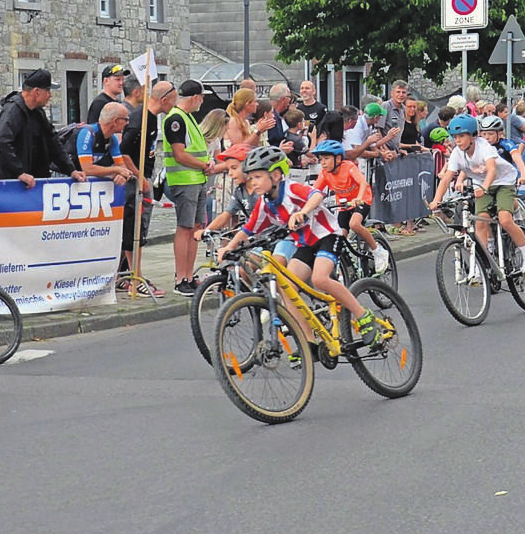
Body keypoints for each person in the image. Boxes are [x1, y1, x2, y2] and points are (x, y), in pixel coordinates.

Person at [221, 146, 380, 346]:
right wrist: (229, 248)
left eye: (258, 177)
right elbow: (249, 229)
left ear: (276, 175)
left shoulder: (291, 189)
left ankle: (363, 315)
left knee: (320, 278)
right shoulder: (265, 203)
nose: (253, 182)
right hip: (305, 243)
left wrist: (303, 212)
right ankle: (309, 341)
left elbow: (317, 195)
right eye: (251, 177)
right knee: (287, 288)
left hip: (328, 235)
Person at [427, 114, 525, 273]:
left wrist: (485, 187)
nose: (457, 140)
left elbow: (492, 170)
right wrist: (436, 200)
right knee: (481, 221)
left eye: (461, 136)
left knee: (505, 219)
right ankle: (479, 267)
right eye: (455, 137)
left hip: (502, 182)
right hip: (482, 186)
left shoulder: (484, 147)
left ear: (473, 135)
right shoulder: (457, 153)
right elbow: (446, 178)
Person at [118, 80, 176, 297]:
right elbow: (123, 152)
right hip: (134, 181)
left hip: (143, 177)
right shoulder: (139, 120)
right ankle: (135, 278)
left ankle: (128, 274)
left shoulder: (151, 119)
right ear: (164, 99)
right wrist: (140, 177)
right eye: (173, 99)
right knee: (135, 230)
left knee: (138, 229)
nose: (175, 103)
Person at [163, 79, 220, 295]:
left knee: (196, 228)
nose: (202, 101)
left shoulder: (188, 118)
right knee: (185, 228)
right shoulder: (176, 119)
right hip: (185, 179)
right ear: (195, 97)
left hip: (196, 179)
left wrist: (204, 165)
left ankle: (189, 275)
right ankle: (180, 278)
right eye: (201, 97)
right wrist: (204, 165)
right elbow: (180, 154)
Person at [0, 69, 84, 187]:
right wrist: (19, 172)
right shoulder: (13, 110)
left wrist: (71, 170)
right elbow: (1, 142)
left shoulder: (38, 113)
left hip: (27, 182)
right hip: (4, 183)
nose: (50, 95)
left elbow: (53, 143)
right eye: (48, 90)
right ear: (36, 92)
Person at [310, 139, 389, 273]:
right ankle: (343, 271)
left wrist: (358, 198)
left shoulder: (348, 167)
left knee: (354, 224)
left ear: (338, 158)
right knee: (340, 237)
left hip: (362, 198)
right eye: (321, 159)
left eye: (326, 158)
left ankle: (378, 250)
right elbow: (314, 191)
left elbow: (363, 183)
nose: (322, 162)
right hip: (344, 204)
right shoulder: (325, 173)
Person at [74, 103, 136, 185]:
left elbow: (122, 166)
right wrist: (116, 170)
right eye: (126, 119)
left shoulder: (112, 138)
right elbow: (87, 169)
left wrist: (121, 175)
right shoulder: (88, 133)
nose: (128, 123)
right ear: (115, 121)